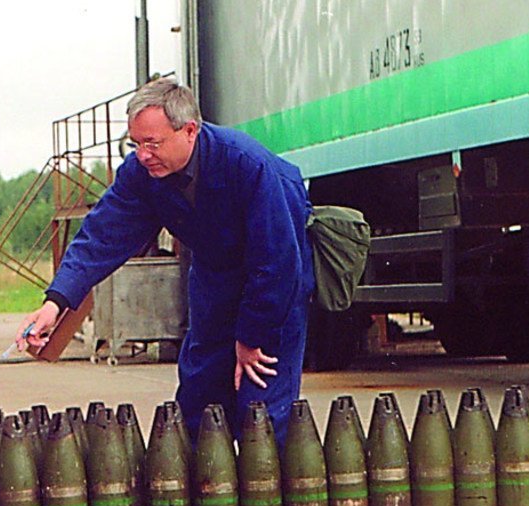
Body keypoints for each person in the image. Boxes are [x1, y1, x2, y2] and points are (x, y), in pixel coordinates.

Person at [16, 78, 314, 442]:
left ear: (189, 130)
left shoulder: (248, 166)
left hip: (274, 292)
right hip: (213, 282)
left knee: (262, 419)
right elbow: (100, 236)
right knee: (198, 408)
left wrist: (251, 338)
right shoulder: (142, 174)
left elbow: (277, 265)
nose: (143, 155)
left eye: (152, 143)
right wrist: (55, 302)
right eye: (136, 144)